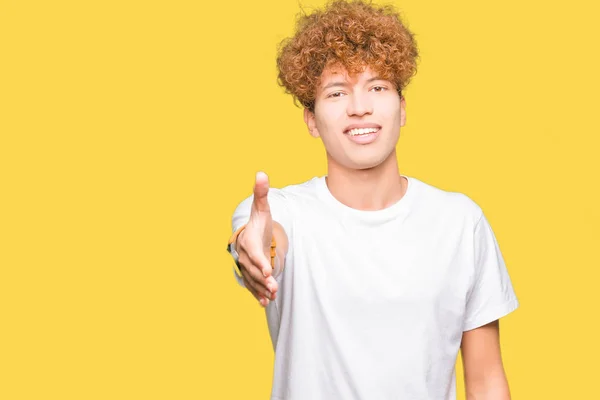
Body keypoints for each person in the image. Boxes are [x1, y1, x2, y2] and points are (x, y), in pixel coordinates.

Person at [226, 1, 519, 399]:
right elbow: (264, 243)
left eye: (377, 87)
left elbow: (485, 381)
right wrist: (258, 253)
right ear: (311, 120)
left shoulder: (460, 223)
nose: (359, 107)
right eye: (336, 92)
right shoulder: (283, 212)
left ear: (402, 108)